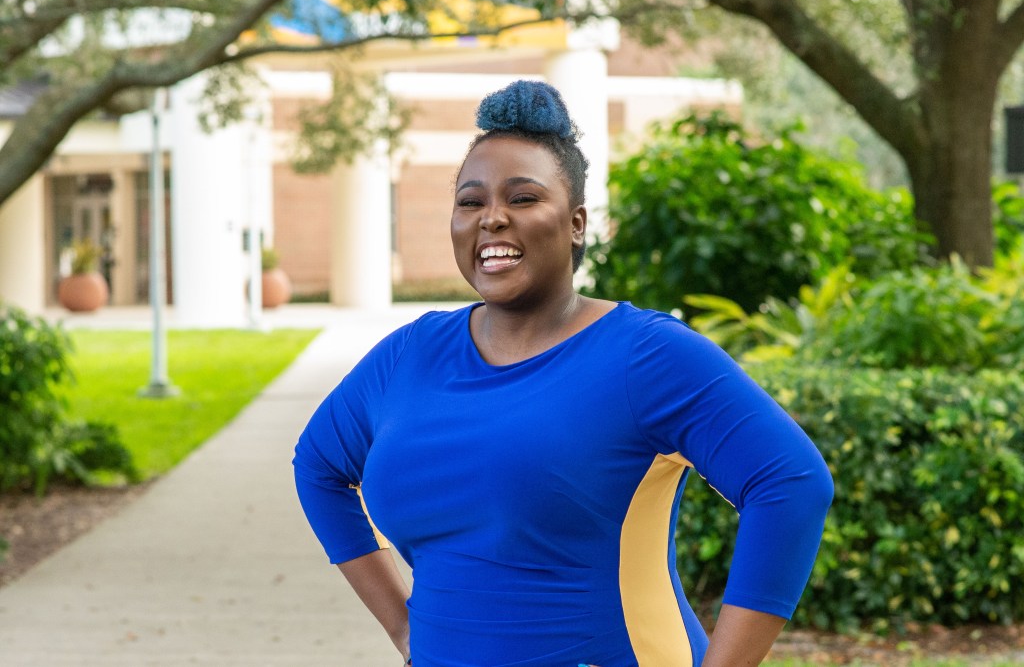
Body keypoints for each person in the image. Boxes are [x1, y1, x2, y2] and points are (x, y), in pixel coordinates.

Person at [293, 80, 834, 667]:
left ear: (576, 223)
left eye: (522, 198)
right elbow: (319, 467)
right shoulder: (409, 355)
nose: (492, 218)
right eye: (470, 202)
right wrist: (403, 626)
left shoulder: (642, 355)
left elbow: (791, 484)